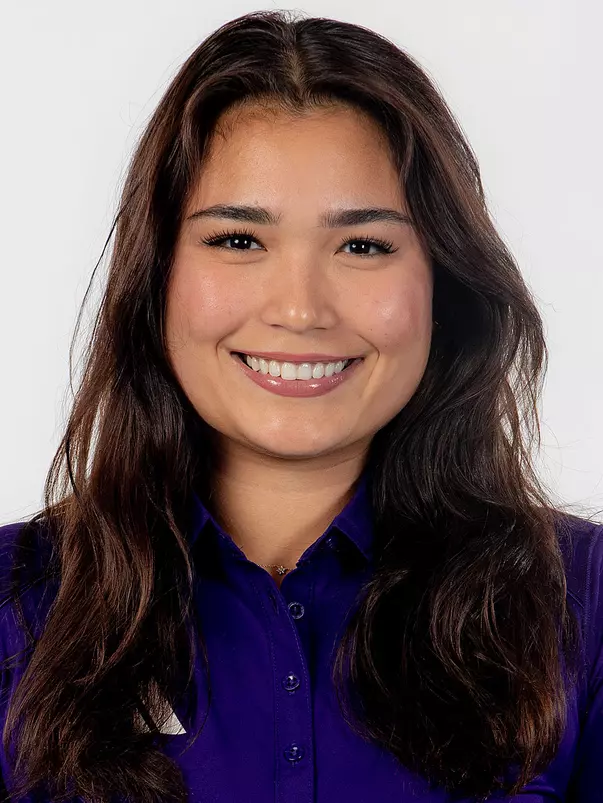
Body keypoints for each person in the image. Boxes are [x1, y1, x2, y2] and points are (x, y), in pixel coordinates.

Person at [0, 9, 601, 803]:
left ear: (442, 283)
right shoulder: (16, 603)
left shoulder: (583, 603)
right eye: (238, 240)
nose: (300, 308)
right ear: (157, 278)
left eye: (362, 245)